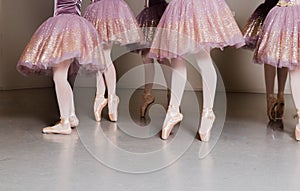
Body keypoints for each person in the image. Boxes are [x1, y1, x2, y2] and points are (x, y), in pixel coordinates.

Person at [150, 0, 245, 141]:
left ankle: (208, 112)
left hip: (202, 6)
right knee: (176, 57)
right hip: (180, 7)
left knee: (203, 59)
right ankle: (173, 109)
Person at [17, 0, 106, 134]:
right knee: (61, 76)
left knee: (59, 76)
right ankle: (71, 116)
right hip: (74, 26)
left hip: (64, 26)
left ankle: (64, 121)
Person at [84, 0, 143, 122]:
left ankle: (106, 97)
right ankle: (107, 96)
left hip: (107, 9)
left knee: (104, 55)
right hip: (98, 10)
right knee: (99, 56)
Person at [254, 0, 300, 140]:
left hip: (282, 9)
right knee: (286, 57)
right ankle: (277, 96)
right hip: (285, 9)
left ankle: (273, 97)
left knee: (277, 55)